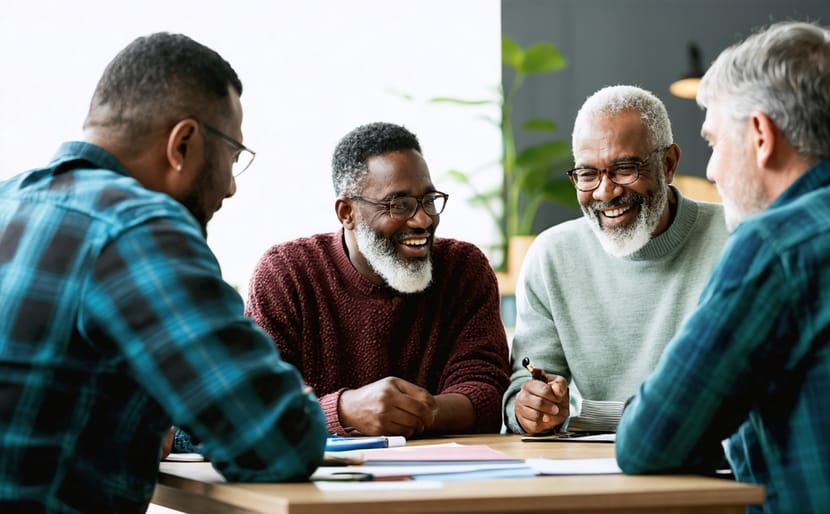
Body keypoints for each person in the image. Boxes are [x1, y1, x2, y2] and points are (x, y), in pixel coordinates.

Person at [0, 33, 328, 513]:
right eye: (233, 156)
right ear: (184, 144)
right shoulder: (139, 228)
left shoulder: (9, 202)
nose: (232, 187)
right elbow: (277, 443)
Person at [616, 21, 830, 514]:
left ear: (761, 136)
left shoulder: (775, 246)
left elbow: (648, 442)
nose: (710, 170)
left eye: (714, 141)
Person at [243, 121, 511, 437]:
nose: (423, 219)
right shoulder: (287, 274)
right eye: (399, 205)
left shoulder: (463, 269)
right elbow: (255, 402)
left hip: (441, 478)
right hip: (317, 481)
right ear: (347, 213)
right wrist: (344, 411)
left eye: (428, 200)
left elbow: (488, 392)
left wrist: (413, 413)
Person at [503, 85, 730, 435]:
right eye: (588, 173)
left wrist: (588, 415)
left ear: (668, 164)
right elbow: (523, 387)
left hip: (710, 465)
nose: (605, 192)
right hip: (590, 472)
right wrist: (530, 409)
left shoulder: (735, 238)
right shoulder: (551, 256)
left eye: (624, 169)